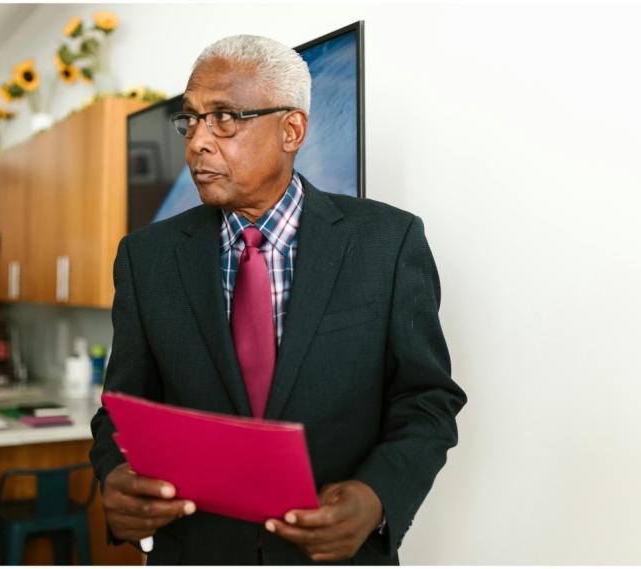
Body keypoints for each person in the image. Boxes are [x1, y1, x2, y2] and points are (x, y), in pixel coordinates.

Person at [90, 34, 467, 565]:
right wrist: (115, 474)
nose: (197, 142)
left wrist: (376, 496)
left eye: (224, 118)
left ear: (291, 130)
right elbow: (121, 408)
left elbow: (426, 400)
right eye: (190, 120)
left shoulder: (387, 242)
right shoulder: (146, 257)